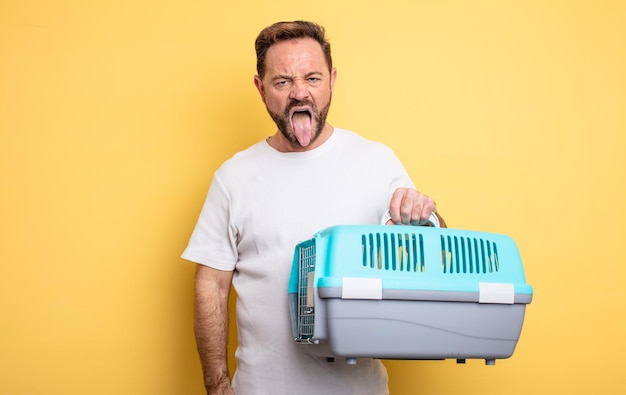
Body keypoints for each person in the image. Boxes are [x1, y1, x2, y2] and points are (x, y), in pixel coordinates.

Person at [182, 20, 445, 395]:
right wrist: (218, 386)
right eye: (283, 82)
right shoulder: (233, 177)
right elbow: (210, 284)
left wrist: (425, 216)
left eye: (313, 78)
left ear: (332, 80)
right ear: (260, 88)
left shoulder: (377, 161)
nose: (299, 93)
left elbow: (434, 247)